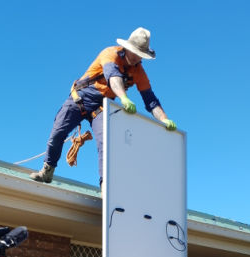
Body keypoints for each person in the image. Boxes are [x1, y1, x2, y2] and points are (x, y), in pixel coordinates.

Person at [30, 27, 177, 186]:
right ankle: (47, 170)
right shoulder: (110, 54)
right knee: (57, 134)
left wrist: (164, 119)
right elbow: (113, 77)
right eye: (135, 53)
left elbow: (150, 100)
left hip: (101, 107)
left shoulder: (139, 72)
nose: (136, 58)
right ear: (127, 48)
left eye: (140, 55)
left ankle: (106, 187)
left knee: (106, 144)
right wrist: (123, 98)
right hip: (80, 98)